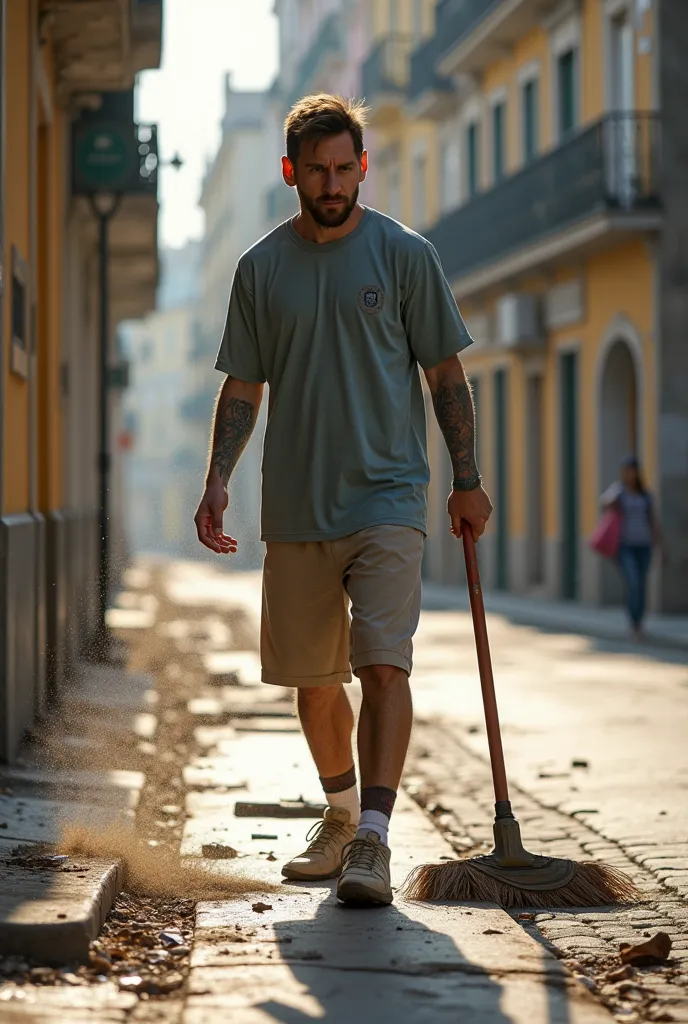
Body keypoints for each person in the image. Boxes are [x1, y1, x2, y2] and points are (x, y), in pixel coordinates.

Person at [194, 94, 492, 906]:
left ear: (363, 166)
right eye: (318, 170)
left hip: (391, 494)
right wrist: (219, 476)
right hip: (295, 503)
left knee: (383, 664)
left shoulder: (404, 255)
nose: (333, 183)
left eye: (345, 168)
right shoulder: (260, 268)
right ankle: (340, 813)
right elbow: (244, 384)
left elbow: (445, 374)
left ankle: (374, 839)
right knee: (313, 682)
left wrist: (466, 480)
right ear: (292, 172)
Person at [601, 455, 663, 639]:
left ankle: (639, 622)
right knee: (633, 583)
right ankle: (633, 622)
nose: (630, 475)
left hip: (644, 545)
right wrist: (613, 498)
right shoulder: (619, 492)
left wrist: (661, 545)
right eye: (626, 471)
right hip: (625, 546)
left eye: (632, 471)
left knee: (641, 585)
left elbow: (652, 521)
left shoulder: (646, 495)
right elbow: (603, 503)